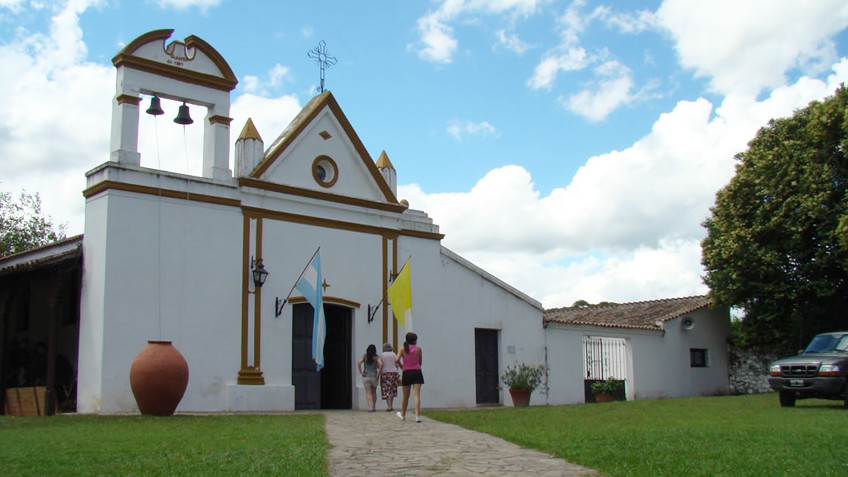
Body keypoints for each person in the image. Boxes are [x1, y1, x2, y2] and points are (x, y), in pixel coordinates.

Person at [396, 332, 424, 422]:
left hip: (406, 372)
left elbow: (396, 360)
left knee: (405, 395)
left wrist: (401, 366)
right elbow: (420, 362)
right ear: (415, 340)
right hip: (417, 371)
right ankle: (417, 415)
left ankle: (403, 414)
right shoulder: (418, 349)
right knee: (416, 394)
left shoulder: (402, 349)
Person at [357, 344, 382, 412]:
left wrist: (361, 372)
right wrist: (378, 373)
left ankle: (370, 407)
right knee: (374, 392)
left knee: (368, 393)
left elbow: (359, 362)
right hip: (374, 376)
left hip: (366, 376)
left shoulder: (365, 356)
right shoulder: (376, 357)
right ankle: (374, 407)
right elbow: (381, 364)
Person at [378, 343, 399, 412]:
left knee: (386, 389)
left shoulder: (382, 355)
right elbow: (397, 364)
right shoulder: (394, 354)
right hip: (394, 372)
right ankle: (391, 405)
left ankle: (389, 406)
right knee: (392, 389)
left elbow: (380, 364)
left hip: (385, 373)